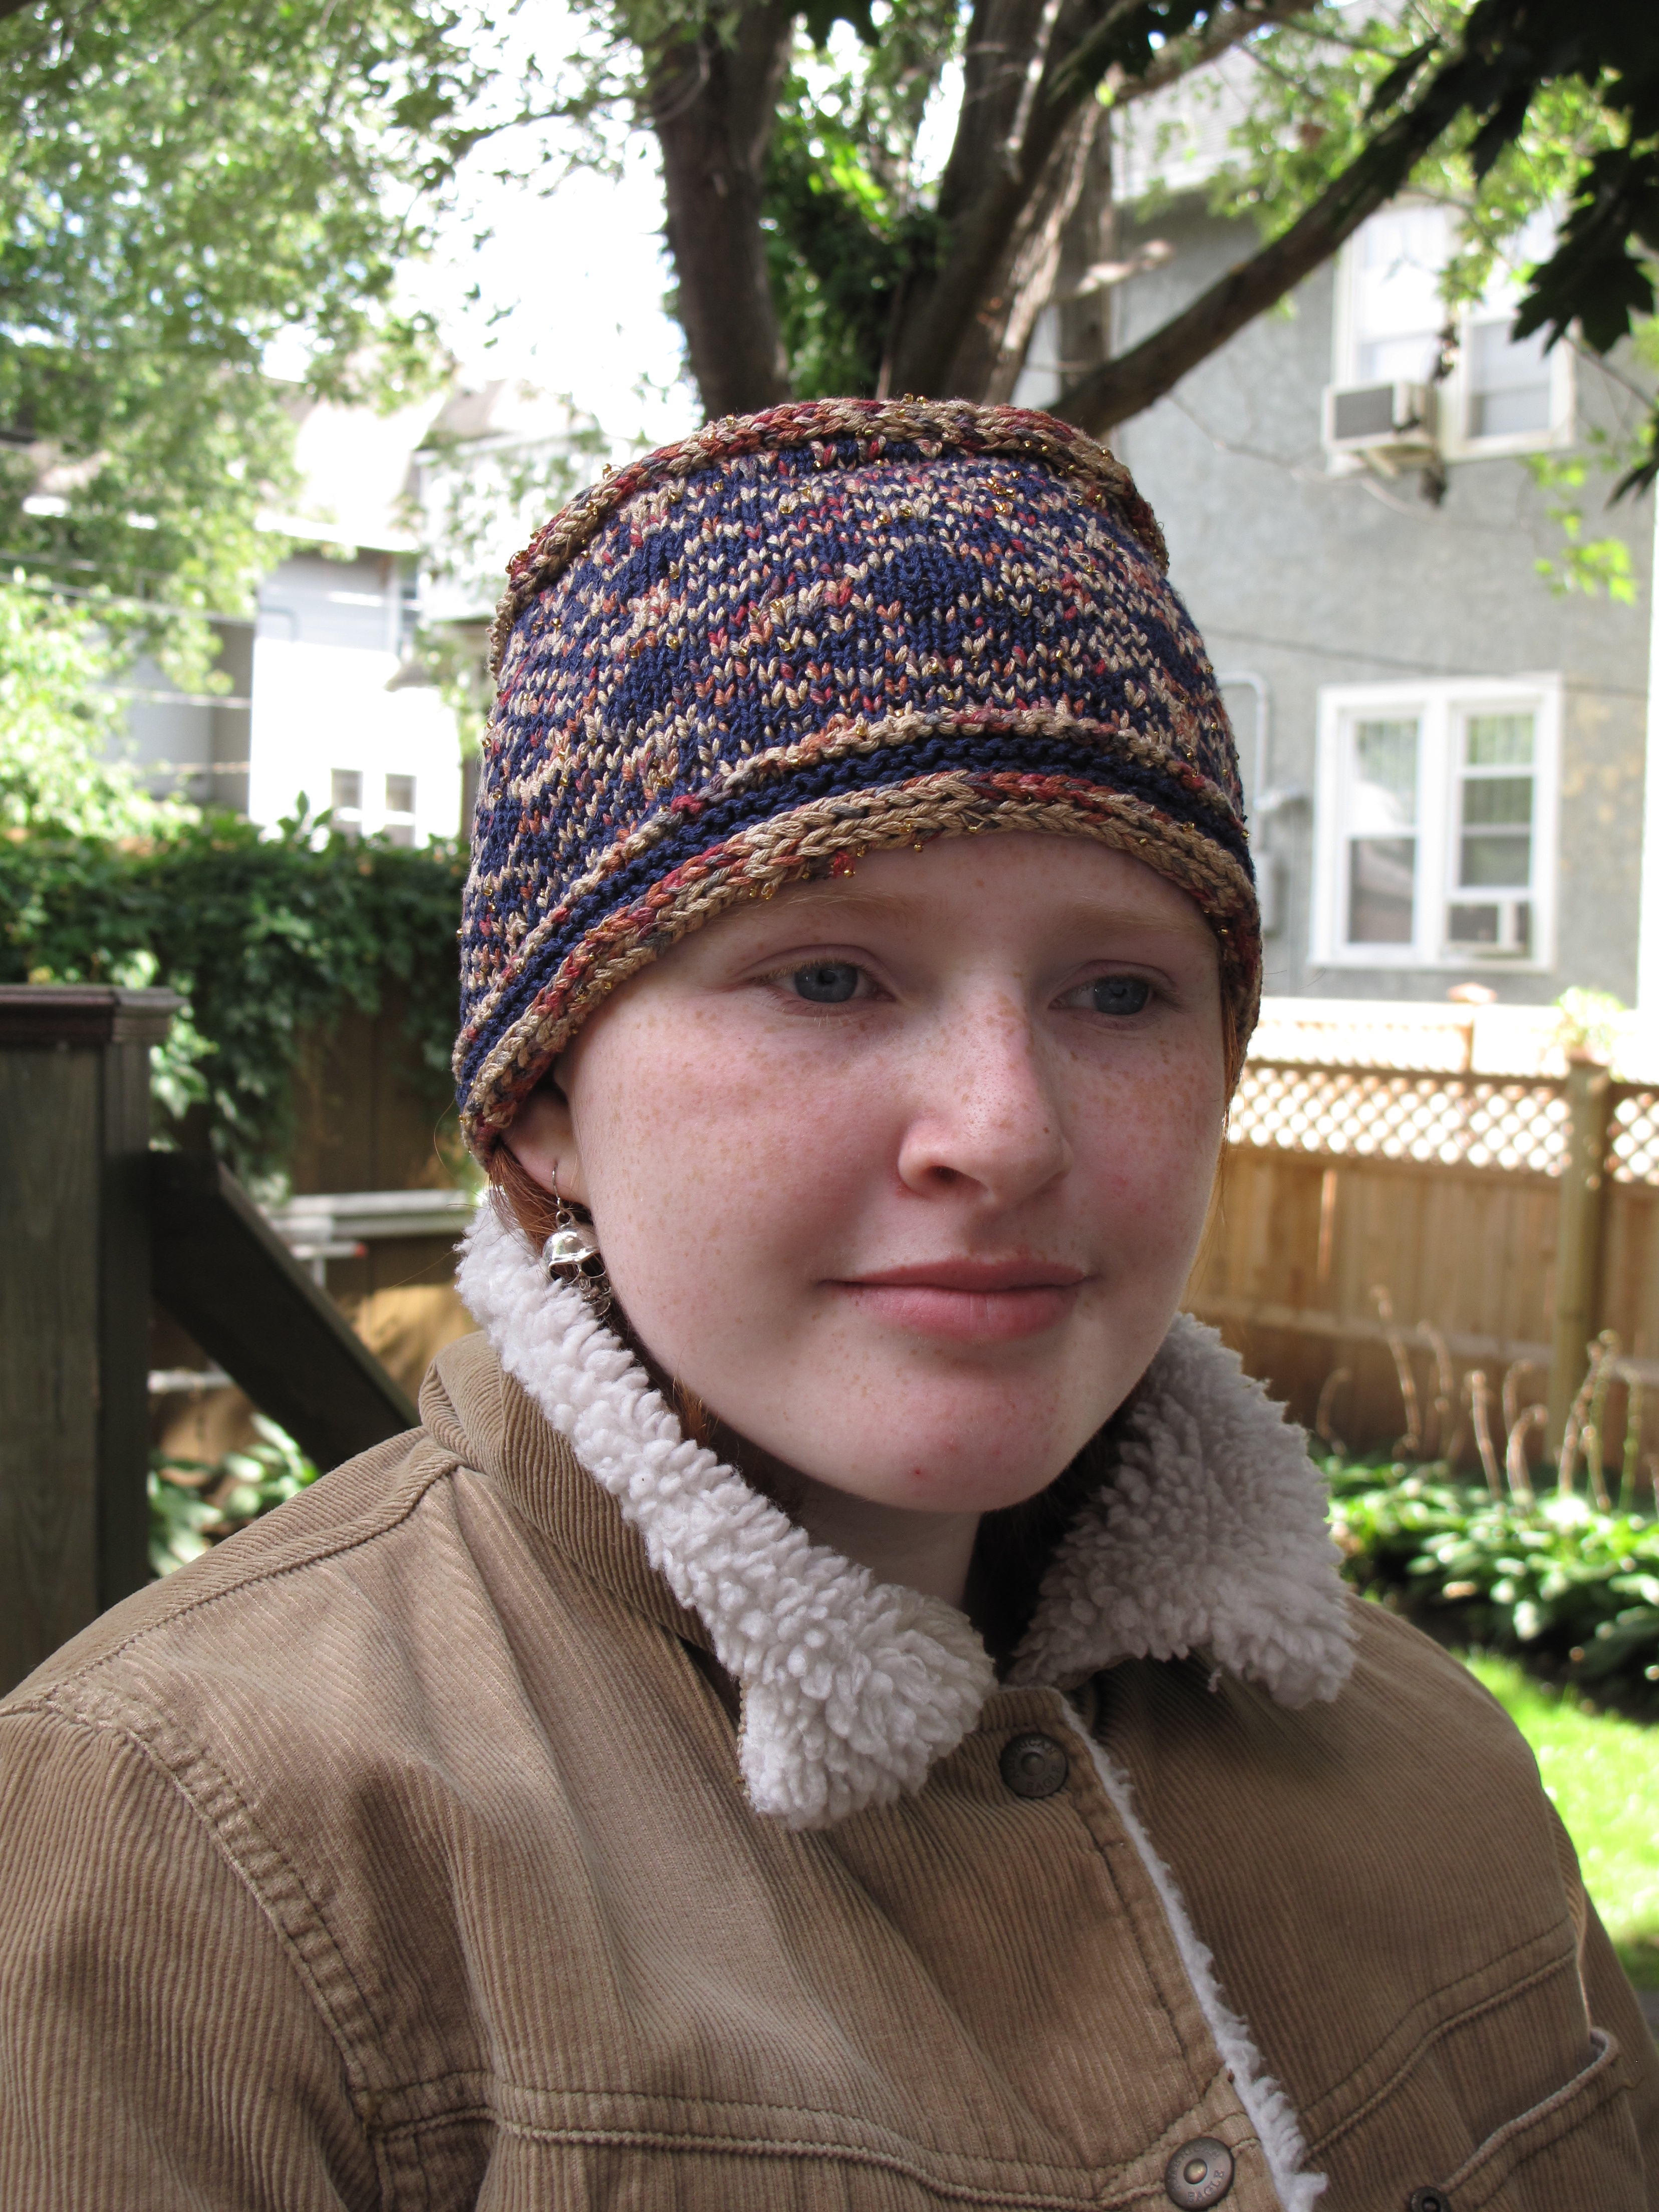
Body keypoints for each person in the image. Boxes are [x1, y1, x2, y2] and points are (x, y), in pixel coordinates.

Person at [1, 398, 1653, 2212]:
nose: (1005, 1133)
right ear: (546, 1101)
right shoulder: (191, 1857)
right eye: (829, 978)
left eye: (1119, 994)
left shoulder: (1432, 1766)